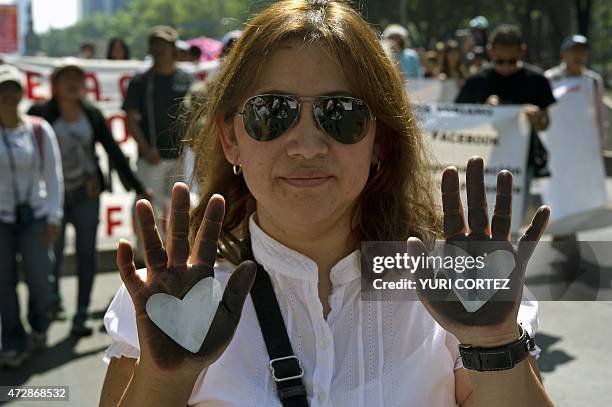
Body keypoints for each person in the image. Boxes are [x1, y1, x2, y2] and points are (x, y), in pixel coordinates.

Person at [100, 1, 554, 406]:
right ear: (229, 138)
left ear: (380, 140)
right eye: (271, 112)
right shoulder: (167, 301)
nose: (306, 145)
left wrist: (495, 345)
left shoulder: (452, 291)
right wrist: (163, 383)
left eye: (340, 113)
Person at [28, 59, 150, 336]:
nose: (72, 84)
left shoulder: (91, 114)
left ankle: (81, 313)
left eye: (77, 78)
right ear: (55, 84)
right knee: (52, 253)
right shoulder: (41, 113)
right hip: (53, 197)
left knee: (86, 253)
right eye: (66, 78)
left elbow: (113, 151)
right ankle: (53, 299)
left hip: (87, 192)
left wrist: (137, 185)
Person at [455, 24, 556, 221]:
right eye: (500, 61)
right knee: (479, 213)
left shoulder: (536, 80)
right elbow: (459, 121)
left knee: (514, 214)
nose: (506, 67)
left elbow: (545, 123)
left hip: (522, 161)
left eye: (512, 61)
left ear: (522, 51)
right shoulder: (477, 81)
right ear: (490, 51)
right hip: (482, 160)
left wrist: (536, 118)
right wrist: (483, 110)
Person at [0, 64, 63, 367]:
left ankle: (39, 325)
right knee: (4, 282)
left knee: (40, 279)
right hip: (2, 219)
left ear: (22, 93)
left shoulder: (39, 129)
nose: (8, 95)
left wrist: (54, 217)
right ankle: (13, 340)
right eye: (3, 89)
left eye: (13, 88)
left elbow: (53, 176)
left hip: (35, 216)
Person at [122, 25, 193, 260]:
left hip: (179, 156)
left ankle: (176, 256)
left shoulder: (185, 79)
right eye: (154, 44)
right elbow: (130, 119)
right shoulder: (141, 81)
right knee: (147, 207)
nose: (158, 48)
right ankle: (144, 257)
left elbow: (194, 114)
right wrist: (144, 148)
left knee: (178, 206)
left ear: (173, 48)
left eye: (163, 44)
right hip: (152, 157)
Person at [545, 34, 608, 144]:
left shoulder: (594, 80)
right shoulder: (550, 78)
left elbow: (600, 114)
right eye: (574, 51)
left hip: (586, 143)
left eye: (582, 51)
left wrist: (601, 140)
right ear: (563, 54)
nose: (579, 55)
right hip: (556, 142)